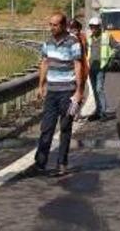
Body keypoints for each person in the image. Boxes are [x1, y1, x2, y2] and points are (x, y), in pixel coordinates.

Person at [35, 12, 84, 176]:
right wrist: (41, 85)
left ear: (63, 26)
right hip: (52, 92)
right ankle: (40, 162)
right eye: (50, 24)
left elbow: (78, 65)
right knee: (46, 127)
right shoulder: (48, 42)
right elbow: (44, 63)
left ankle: (62, 163)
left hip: (67, 92)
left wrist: (78, 91)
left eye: (55, 25)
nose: (52, 28)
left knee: (65, 127)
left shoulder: (73, 42)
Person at [86, 16, 115, 121]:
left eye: (95, 27)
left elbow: (116, 48)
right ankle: (98, 111)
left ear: (100, 27)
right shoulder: (89, 39)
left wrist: (110, 61)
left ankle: (103, 112)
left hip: (101, 67)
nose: (93, 29)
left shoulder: (107, 37)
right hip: (91, 68)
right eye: (91, 27)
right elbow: (86, 52)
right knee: (94, 90)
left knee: (99, 89)